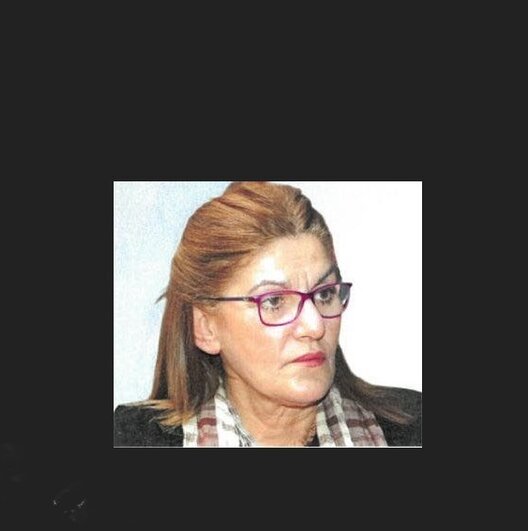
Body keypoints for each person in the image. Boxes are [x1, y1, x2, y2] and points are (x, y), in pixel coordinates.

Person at [113, 181, 421, 447]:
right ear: (205, 328)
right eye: (274, 301)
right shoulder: (134, 438)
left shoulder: (411, 427)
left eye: (325, 294)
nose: (314, 325)